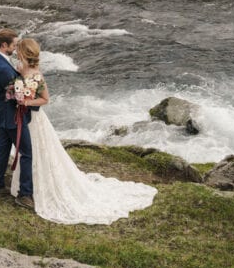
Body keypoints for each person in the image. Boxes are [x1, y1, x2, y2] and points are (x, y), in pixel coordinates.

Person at [10, 38, 157, 224]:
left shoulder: (37, 76)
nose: (16, 53)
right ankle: (26, 187)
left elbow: (45, 99)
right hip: (24, 118)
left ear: (24, 53)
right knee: (28, 151)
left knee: (38, 151)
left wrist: (26, 102)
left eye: (19, 51)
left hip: (35, 120)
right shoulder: (19, 70)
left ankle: (37, 189)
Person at [0, 28, 34, 210]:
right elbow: (18, 96)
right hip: (12, 116)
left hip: (2, 114)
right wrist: (34, 94)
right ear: (4, 45)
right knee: (26, 153)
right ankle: (25, 194)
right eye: (13, 45)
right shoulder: (1, 67)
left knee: (2, 148)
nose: (15, 48)